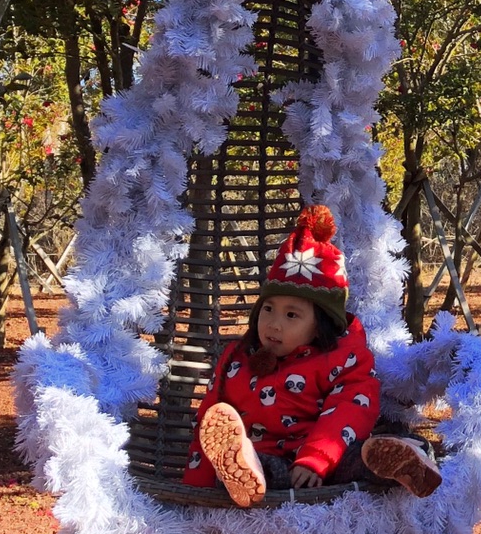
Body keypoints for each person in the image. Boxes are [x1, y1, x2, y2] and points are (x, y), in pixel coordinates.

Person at [183, 204, 440, 505]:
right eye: (268, 309)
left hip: (328, 461)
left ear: (321, 326)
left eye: (292, 315)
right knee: (245, 461)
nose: (274, 324)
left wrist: (315, 458)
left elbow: (350, 408)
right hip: (267, 461)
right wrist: (195, 491)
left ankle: (406, 460)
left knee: (365, 455)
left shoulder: (343, 359)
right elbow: (210, 419)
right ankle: (242, 473)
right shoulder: (238, 358)